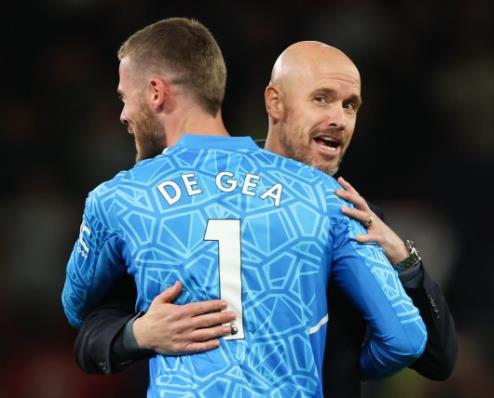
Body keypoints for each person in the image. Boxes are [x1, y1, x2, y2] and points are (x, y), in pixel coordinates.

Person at [61, 17, 427, 397]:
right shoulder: (321, 193)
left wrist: (138, 333)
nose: (123, 114)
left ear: (155, 92)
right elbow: (405, 338)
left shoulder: (120, 198)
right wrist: (323, 369)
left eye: (124, 97)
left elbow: (76, 307)